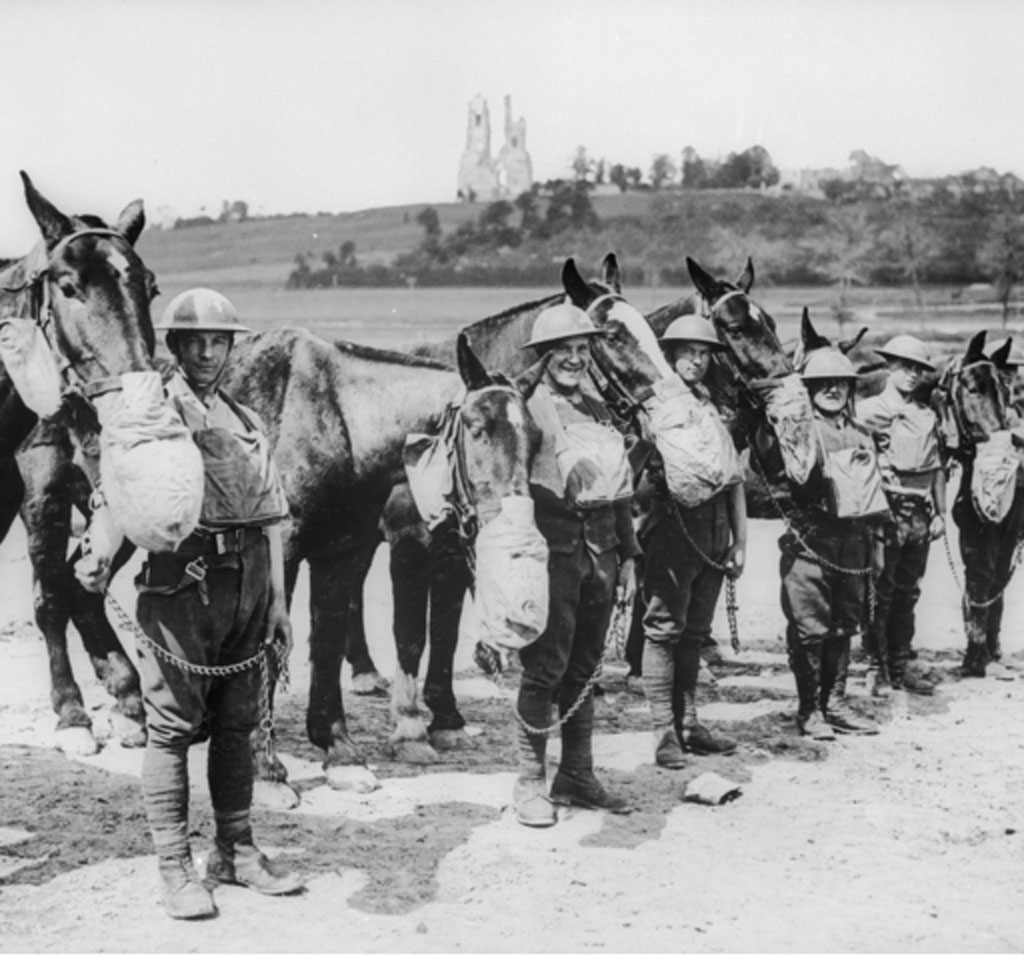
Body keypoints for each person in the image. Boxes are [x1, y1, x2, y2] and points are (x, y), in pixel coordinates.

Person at [77, 288, 303, 919]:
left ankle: (235, 850)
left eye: (218, 342)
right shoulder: (152, 414)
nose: (207, 353)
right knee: (172, 730)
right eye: (195, 342)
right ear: (173, 346)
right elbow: (125, 489)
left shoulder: (246, 419)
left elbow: (273, 519)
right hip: (185, 586)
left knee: (237, 725)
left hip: (250, 584)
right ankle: (176, 867)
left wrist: (279, 603)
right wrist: (98, 549)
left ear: (232, 347)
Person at [514, 301, 640, 827]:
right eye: (561, 351)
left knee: (587, 665)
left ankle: (578, 773)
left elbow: (619, 492)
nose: (573, 359)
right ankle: (529, 782)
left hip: (603, 550)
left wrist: (628, 555)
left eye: (581, 349)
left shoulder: (599, 407)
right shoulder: (527, 412)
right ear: (542, 358)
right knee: (546, 666)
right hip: (556, 553)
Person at [638, 315, 746, 768]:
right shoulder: (652, 407)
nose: (697, 362)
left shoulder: (710, 405)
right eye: (688, 353)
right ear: (670, 356)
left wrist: (740, 541)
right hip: (673, 530)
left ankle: (690, 724)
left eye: (703, 355)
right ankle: (665, 732)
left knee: (696, 633)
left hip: (715, 531)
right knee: (664, 629)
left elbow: (734, 478)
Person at [779, 348, 884, 739]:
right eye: (823, 384)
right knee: (809, 627)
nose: (833, 390)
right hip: (811, 545)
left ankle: (835, 704)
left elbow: (874, 497)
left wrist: (877, 547)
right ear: (809, 389)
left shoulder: (862, 435)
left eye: (840, 383)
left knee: (844, 624)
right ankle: (809, 710)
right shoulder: (797, 434)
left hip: (854, 545)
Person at [857, 335, 946, 696]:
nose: (912, 375)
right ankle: (875, 667)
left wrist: (940, 512)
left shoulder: (927, 415)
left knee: (908, 592)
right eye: (905, 367)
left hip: (919, 514)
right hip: (885, 512)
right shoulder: (868, 411)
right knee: (881, 591)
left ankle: (899, 666)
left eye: (919, 370)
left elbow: (938, 466)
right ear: (889, 367)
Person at [957, 338, 1024, 677]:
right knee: (980, 572)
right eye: (1007, 372)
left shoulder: (1012, 411)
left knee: (1000, 572)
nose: (1012, 379)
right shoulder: (980, 410)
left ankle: (991, 647)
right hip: (981, 502)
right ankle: (975, 651)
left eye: (1014, 372)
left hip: (1014, 504)